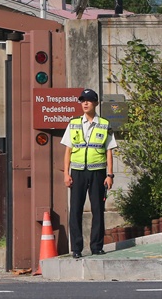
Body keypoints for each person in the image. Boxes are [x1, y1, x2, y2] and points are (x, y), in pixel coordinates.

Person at [61, 89, 117, 259]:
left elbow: (109, 151)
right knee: (76, 210)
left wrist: (110, 175)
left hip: (98, 173)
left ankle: (96, 246)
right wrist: (66, 174)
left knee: (98, 210)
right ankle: (77, 248)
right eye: (82, 100)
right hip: (77, 173)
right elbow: (68, 151)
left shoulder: (104, 124)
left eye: (89, 100)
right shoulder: (74, 123)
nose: (85, 103)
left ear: (96, 103)